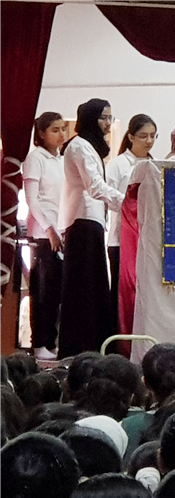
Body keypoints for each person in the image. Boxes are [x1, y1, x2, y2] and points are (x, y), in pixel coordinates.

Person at [58, 98, 124, 359]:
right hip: (82, 222)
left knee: (93, 287)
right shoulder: (80, 146)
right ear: (90, 119)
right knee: (83, 289)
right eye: (103, 117)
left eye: (110, 118)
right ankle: (80, 348)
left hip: (91, 222)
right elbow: (94, 187)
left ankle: (93, 346)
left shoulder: (88, 146)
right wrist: (127, 202)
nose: (108, 123)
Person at [107, 114, 156, 335]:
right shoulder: (117, 165)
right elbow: (108, 199)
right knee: (123, 293)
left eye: (153, 136)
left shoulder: (154, 165)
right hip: (121, 240)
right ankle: (122, 340)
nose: (149, 141)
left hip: (147, 242)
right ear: (131, 137)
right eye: (143, 136)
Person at [23, 112, 66, 360]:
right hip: (42, 234)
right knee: (43, 292)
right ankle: (39, 342)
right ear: (41, 133)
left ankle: (51, 341)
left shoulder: (61, 160)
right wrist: (48, 228)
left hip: (60, 232)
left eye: (63, 129)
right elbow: (33, 200)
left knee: (57, 293)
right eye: (55, 130)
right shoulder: (35, 158)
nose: (61, 134)